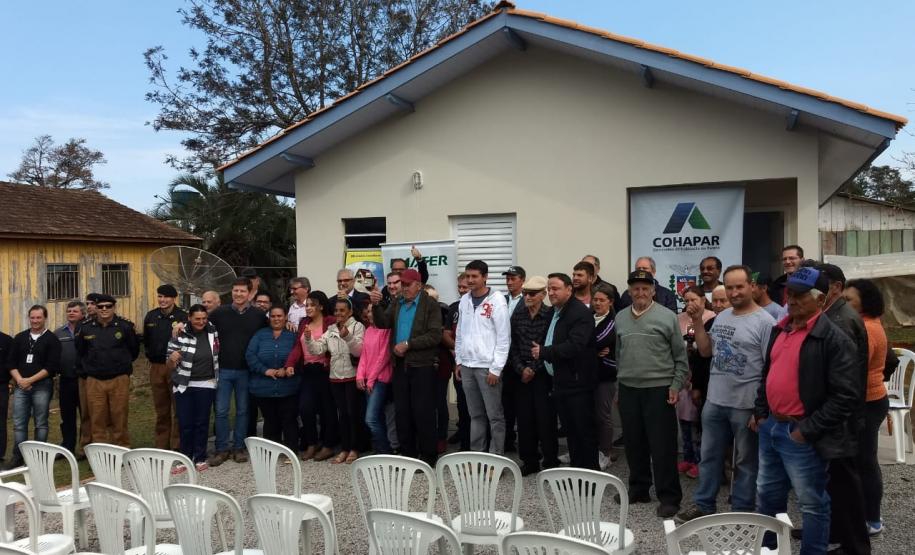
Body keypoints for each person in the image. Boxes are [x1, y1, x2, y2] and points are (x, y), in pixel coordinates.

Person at [753, 266, 859, 554]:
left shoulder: (834, 339)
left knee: (812, 502)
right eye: (790, 293)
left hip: (801, 432)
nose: (793, 300)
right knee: (767, 496)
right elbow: (768, 375)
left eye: (801, 295)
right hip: (772, 427)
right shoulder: (781, 329)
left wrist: (806, 431)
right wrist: (761, 414)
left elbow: (846, 396)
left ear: (821, 299)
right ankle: (770, 549)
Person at [676, 266, 775, 523]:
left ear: (751, 286)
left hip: (745, 404)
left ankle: (741, 510)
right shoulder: (722, 317)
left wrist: (760, 408)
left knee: (744, 461)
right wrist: (697, 321)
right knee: (708, 457)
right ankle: (704, 504)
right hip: (715, 401)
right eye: (729, 287)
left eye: (739, 286)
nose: (734, 292)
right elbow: (707, 351)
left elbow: (770, 367)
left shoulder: (765, 322)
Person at [614, 270, 689, 517]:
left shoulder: (667, 317)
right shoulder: (621, 317)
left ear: (654, 291)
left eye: (645, 288)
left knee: (663, 446)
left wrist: (676, 386)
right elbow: (619, 354)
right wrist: (619, 385)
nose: (640, 292)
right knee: (634, 443)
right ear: (629, 291)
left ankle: (669, 497)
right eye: (636, 288)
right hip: (628, 389)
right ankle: (639, 488)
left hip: (659, 389)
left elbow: (680, 357)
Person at [816, 263, 871, 555]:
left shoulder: (842, 320)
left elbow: (845, 377)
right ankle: (833, 530)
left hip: (842, 417)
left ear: (835, 287)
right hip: (833, 414)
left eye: (818, 286)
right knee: (832, 481)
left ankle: (855, 546)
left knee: (846, 482)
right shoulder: (830, 314)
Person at [370, 268, 443, 466]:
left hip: (422, 364)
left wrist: (409, 344)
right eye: (402, 284)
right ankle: (408, 455)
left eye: (408, 284)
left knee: (423, 411)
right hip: (400, 364)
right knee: (402, 411)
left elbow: (435, 335)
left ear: (418, 285)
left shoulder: (430, 305)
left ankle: (428, 456)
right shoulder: (397, 302)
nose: (404, 288)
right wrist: (376, 305)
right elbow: (383, 323)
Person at [532, 273, 599, 470]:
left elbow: (575, 346)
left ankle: (590, 477)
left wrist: (544, 352)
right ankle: (577, 473)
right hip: (560, 381)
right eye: (549, 289)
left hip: (578, 383)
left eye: (556, 288)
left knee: (583, 432)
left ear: (569, 289)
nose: (551, 293)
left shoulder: (580, 313)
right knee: (571, 432)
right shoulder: (555, 311)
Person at [845, 278, 890, 536]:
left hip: (867, 402)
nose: (845, 303)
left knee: (865, 461)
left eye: (849, 299)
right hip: (867, 399)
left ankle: (872, 519)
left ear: (865, 302)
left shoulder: (867, 328)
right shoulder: (866, 324)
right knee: (862, 461)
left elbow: (855, 371)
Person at [206, 277, 268, 467]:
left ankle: (239, 447)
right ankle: (222, 448)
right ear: (231, 292)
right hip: (223, 369)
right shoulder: (219, 313)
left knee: (243, 411)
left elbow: (272, 329)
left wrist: (289, 325)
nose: (238, 294)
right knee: (222, 411)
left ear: (249, 293)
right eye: (235, 291)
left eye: (242, 291)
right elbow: (199, 325)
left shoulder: (258, 315)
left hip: (246, 371)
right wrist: (181, 326)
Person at [455, 260, 511, 455]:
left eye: (474, 276)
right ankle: (477, 456)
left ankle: (496, 458)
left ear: (485, 277)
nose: (470, 280)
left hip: (488, 368)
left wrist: (496, 368)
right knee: (475, 415)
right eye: (468, 276)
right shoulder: (464, 300)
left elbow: (504, 338)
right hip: (468, 366)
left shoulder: (497, 301)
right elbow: (460, 333)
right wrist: (459, 361)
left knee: (494, 416)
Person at [304, 297, 366, 464]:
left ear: (350, 312)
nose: (338, 313)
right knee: (342, 414)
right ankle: (344, 448)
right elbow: (318, 349)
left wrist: (348, 337)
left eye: (342, 310)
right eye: (336, 310)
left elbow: (359, 351)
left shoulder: (358, 326)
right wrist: (309, 339)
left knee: (353, 414)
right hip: (335, 377)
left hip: (352, 376)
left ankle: (354, 448)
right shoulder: (331, 328)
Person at [509, 275, 558, 475]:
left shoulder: (550, 315)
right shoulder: (518, 315)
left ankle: (550, 461)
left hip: (543, 373)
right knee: (524, 419)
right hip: (521, 374)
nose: (527, 296)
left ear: (543, 295)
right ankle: (529, 461)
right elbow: (512, 346)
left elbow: (551, 345)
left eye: (532, 293)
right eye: (525, 293)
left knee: (546, 420)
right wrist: (522, 369)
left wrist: (534, 368)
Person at [284, 291, 339, 462]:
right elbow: (297, 347)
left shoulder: (330, 321)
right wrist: (290, 364)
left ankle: (329, 445)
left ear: (321, 306)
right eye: (306, 305)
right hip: (308, 371)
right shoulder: (304, 322)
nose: (308, 308)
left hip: (325, 371)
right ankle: (311, 443)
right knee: (305, 408)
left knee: (328, 410)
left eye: (312, 305)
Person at [6, 305, 60, 469]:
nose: (35, 321)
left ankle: (38, 456)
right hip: (20, 386)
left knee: (41, 422)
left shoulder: (52, 339)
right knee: (19, 423)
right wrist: (20, 380)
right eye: (32, 317)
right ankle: (18, 456)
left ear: (45, 318)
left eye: (39, 318)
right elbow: (11, 362)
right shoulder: (20, 337)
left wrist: (30, 380)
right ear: (28, 318)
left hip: (42, 386)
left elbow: (51, 367)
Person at [166, 304, 219, 472]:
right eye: (197, 319)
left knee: (202, 422)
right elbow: (168, 363)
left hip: (206, 382)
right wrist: (172, 358)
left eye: (204, 318)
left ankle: (200, 457)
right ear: (189, 318)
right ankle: (185, 458)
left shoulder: (212, 331)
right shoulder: (179, 334)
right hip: (184, 384)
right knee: (185, 423)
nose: (201, 322)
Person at [246, 305, 300, 454]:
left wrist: (287, 368)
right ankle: (271, 452)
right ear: (269, 318)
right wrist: (265, 370)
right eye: (273, 316)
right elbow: (250, 355)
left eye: (279, 316)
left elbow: (298, 354)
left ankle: (291, 451)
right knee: (270, 419)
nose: (276, 319)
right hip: (264, 386)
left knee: (289, 419)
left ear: (286, 317)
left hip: (288, 385)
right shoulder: (260, 335)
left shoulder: (293, 335)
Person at [143, 284, 187, 451]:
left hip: (176, 367)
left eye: (166, 297)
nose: (162, 300)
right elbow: (146, 341)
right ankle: (161, 446)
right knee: (161, 409)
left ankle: (177, 446)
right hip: (157, 367)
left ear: (173, 298)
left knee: (178, 408)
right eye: (160, 296)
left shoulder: (183, 316)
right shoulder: (151, 316)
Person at [357, 302, 393, 454]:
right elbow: (364, 355)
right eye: (368, 311)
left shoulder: (386, 331)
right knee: (376, 417)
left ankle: (385, 450)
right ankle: (378, 448)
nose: (369, 314)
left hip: (379, 380)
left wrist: (370, 379)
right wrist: (359, 376)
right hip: (367, 380)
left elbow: (383, 358)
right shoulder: (369, 330)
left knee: (370, 418)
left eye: (371, 311)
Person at [592, 282, 619, 470]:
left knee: (603, 416)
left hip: (605, 375)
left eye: (602, 300)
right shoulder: (588, 317)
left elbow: (600, 340)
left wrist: (586, 348)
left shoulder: (612, 322)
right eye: (595, 299)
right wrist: (592, 352)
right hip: (588, 374)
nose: (597, 303)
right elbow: (577, 340)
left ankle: (606, 452)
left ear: (610, 302)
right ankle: (591, 449)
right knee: (588, 414)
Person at [55, 300, 86, 455]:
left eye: (75, 311)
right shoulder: (59, 333)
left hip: (85, 380)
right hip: (66, 379)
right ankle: (67, 446)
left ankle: (85, 446)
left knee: (86, 415)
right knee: (67, 416)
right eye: (69, 311)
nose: (71, 313)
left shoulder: (88, 329)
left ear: (82, 314)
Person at [445, 273, 472, 450]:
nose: (462, 291)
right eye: (459, 287)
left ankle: (474, 440)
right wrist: (457, 351)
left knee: (474, 406)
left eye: (465, 287)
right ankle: (463, 434)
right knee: (462, 403)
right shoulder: (454, 307)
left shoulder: (480, 306)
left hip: (476, 364)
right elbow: (446, 334)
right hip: (458, 362)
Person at [0, 329, 11, 463]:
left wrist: (11, 381)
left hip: (1, 386)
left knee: (1, 420)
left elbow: (11, 363)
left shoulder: (6, 340)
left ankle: (0, 454)